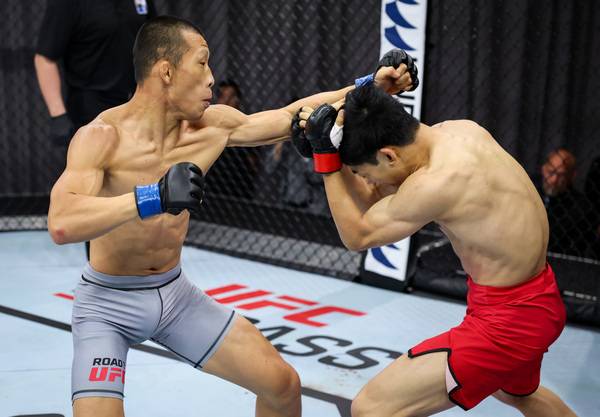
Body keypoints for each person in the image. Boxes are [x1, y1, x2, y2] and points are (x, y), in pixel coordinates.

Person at [47, 16, 414, 417]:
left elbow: (290, 116)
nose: (211, 78)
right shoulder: (102, 136)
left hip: (175, 296)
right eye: (202, 63)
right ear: (166, 71)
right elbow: (62, 222)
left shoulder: (210, 126)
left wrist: (370, 87)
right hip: (107, 305)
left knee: (282, 385)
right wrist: (153, 197)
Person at [293, 85, 577, 416]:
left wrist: (326, 159)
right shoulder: (460, 130)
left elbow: (358, 235)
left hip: (509, 323)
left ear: (388, 155)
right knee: (516, 394)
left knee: (371, 409)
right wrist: (334, 149)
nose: (369, 182)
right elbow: (380, 193)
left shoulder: (438, 183)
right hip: (538, 299)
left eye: (366, 174)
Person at [34, 0, 157, 146]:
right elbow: (45, 59)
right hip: (91, 111)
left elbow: (155, 41)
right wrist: (58, 115)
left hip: (137, 107)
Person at [539, 149, 595, 257]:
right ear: (543, 169)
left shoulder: (581, 207)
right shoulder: (529, 190)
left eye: (561, 175)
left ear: (572, 176)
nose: (554, 180)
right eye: (551, 172)